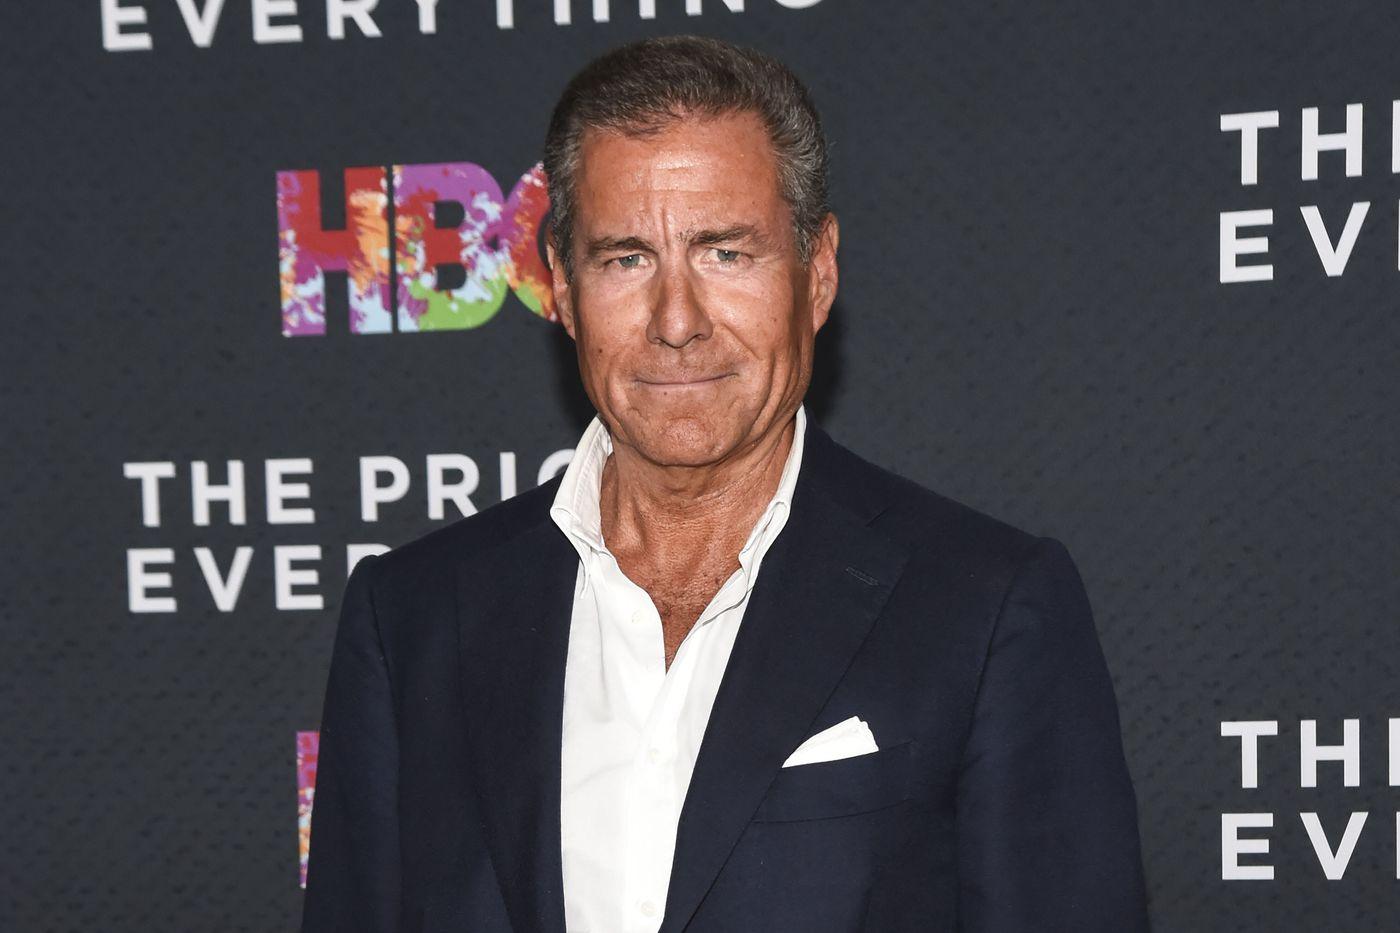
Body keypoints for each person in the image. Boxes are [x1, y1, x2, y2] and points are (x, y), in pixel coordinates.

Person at [301, 34, 1149, 933]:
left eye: (725, 253)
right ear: (562, 287)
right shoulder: (411, 619)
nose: (676, 321)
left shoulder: (985, 610)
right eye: (626, 258)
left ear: (818, 272)